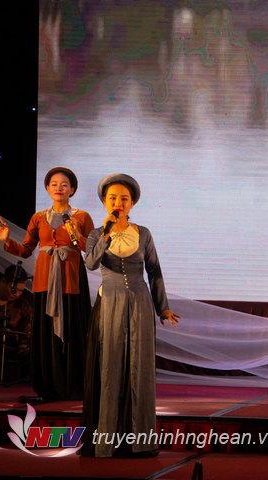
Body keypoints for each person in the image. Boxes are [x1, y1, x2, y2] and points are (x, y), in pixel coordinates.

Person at [82, 173, 180, 457]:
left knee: (139, 367)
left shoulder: (144, 233)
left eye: (124, 198)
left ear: (132, 203)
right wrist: (107, 233)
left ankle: (140, 440)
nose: (118, 203)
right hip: (110, 303)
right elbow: (91, 263)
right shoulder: (96, 234)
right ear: (104, 202)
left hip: (139, 303)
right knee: (110, 366)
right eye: (113, 198)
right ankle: (105, 440)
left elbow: (154, 271)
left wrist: (162, 307)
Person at [0, 166, 93, 400]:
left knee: (72, 331)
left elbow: (91, 250)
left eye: (64, 185)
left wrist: (75, 235)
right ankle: (48, 386)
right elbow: (26, 250)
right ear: (47, 188)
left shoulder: (81, 216)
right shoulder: (38, 217)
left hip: (70, 281)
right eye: (54, 184)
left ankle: (73, 385)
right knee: (46, 333)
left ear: (72, 190)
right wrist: (7, 240)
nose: (59, 188)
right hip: (44, 282)